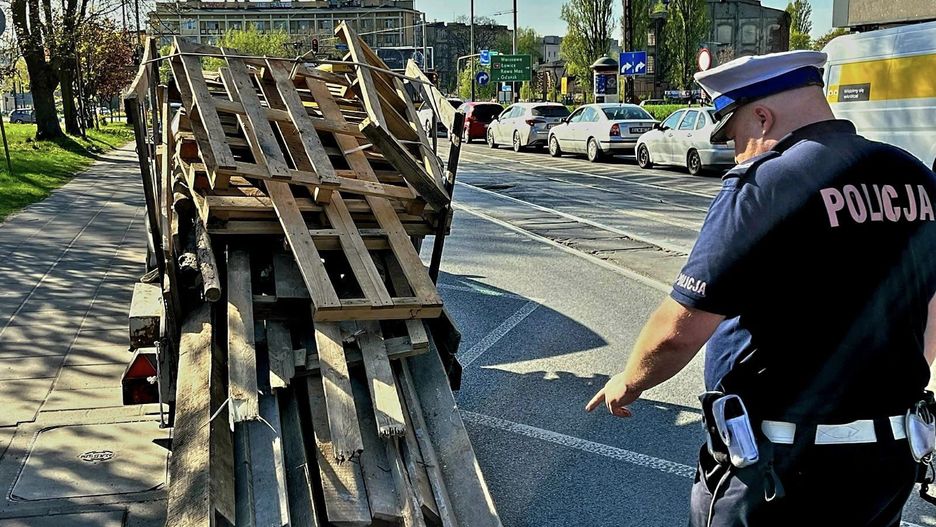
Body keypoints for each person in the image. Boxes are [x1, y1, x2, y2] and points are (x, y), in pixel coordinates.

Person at [585, 50, 936, 526]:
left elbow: (678, 331)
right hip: (887, 462)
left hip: (780, 472)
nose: (736, 152)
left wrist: (629, 381)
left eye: (735, 136)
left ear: (763, 117)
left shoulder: (766, 184)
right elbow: (931, 308)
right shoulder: (913, 175)